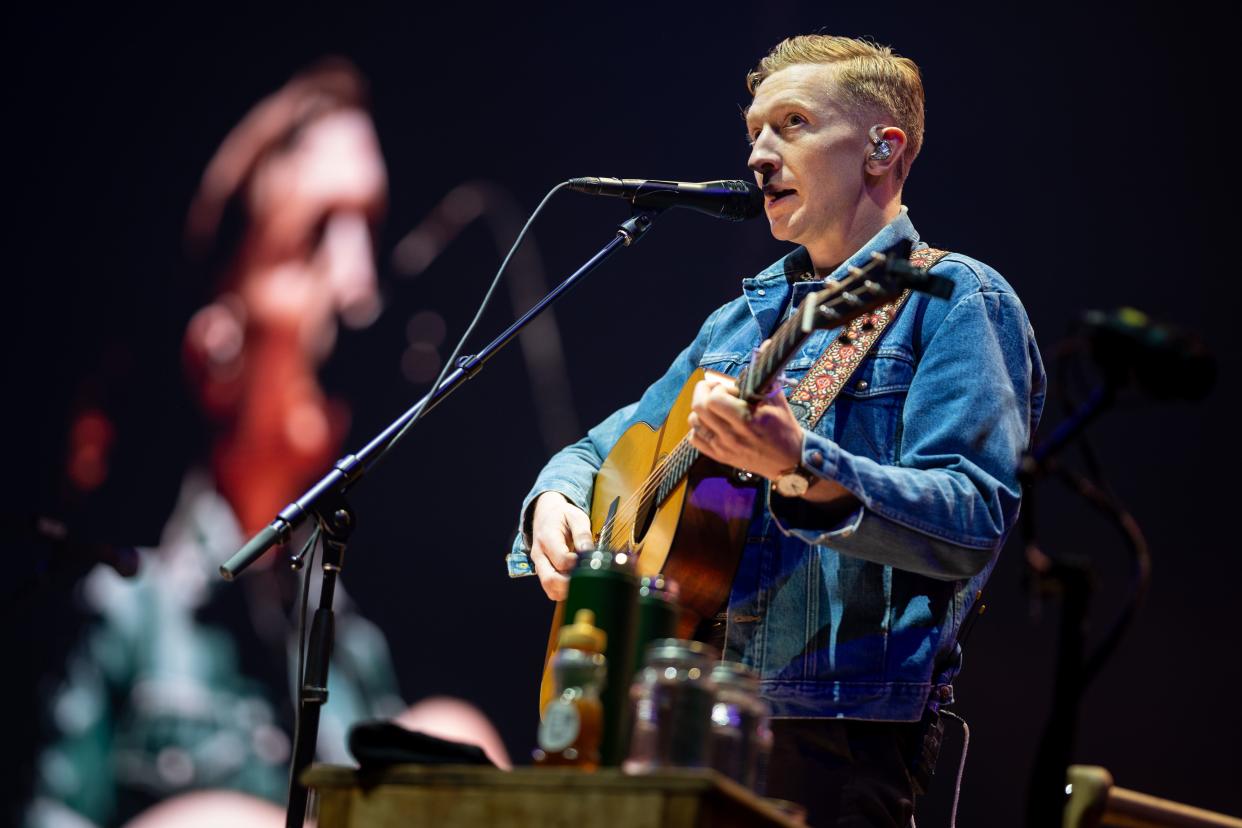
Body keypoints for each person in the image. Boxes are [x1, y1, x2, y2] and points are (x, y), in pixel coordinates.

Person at [510, 35, 1045, 826]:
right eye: (755, 131)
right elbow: (602, 449)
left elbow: (973, 517)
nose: (760, 156)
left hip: (832, 736)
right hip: (674, 723)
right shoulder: (736, 325)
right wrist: (555, 496)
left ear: (881, 148)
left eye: (792, 124)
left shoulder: (954, 299)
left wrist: (804, 468)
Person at [26, 61, 404, 828]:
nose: (361, 289)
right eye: (312, 241)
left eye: (370, 232)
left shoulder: (354, 651)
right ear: (216, 351)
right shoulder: (114, 608)